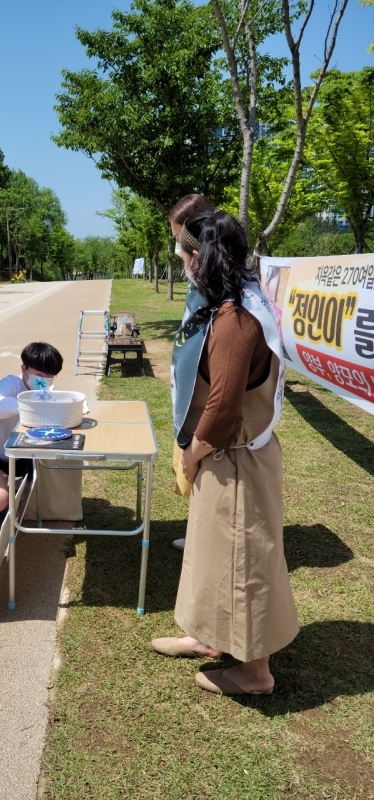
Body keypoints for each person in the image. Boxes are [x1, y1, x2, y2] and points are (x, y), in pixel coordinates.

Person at [152, 207, 299, 695]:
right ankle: (211, 636)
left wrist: (191, 454)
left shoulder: (236, 317)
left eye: (184, 251)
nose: (179, 258)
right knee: (214, 554)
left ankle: (255, 672)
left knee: (246, 563)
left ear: (202, 257)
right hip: (226, 456)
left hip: (235, 458)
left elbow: (223, 407)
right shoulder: (234, 301)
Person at [0, 342, 64, 521]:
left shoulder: (47, 391)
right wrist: (28, 403)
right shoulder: (11, 383)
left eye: (50, 375)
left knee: (48, 488)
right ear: (24, 369)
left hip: (21, 454)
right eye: (39, 374)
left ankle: (15, 485)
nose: (45, 380)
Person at [167, 194, 215, 551]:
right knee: (193, 469)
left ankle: (205, 536)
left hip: (206, 392)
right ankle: (199, 529)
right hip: (190, 384)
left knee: (200, 462)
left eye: (178, 238)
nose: (177, 249)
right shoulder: (198, 282)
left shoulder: (216, 288)